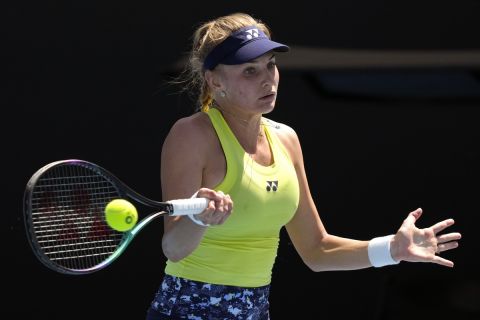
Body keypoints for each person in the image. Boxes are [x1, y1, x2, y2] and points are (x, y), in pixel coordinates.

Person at [146, 12, 462, 320]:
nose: (267, 78)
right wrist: (199, 219)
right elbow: (173, 247)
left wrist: (392, 249)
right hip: (184, 312)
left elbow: (317, 250)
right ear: (214, 81)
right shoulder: (191, 135)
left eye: (270, 66)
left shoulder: (286, 139)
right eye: (249, 71)